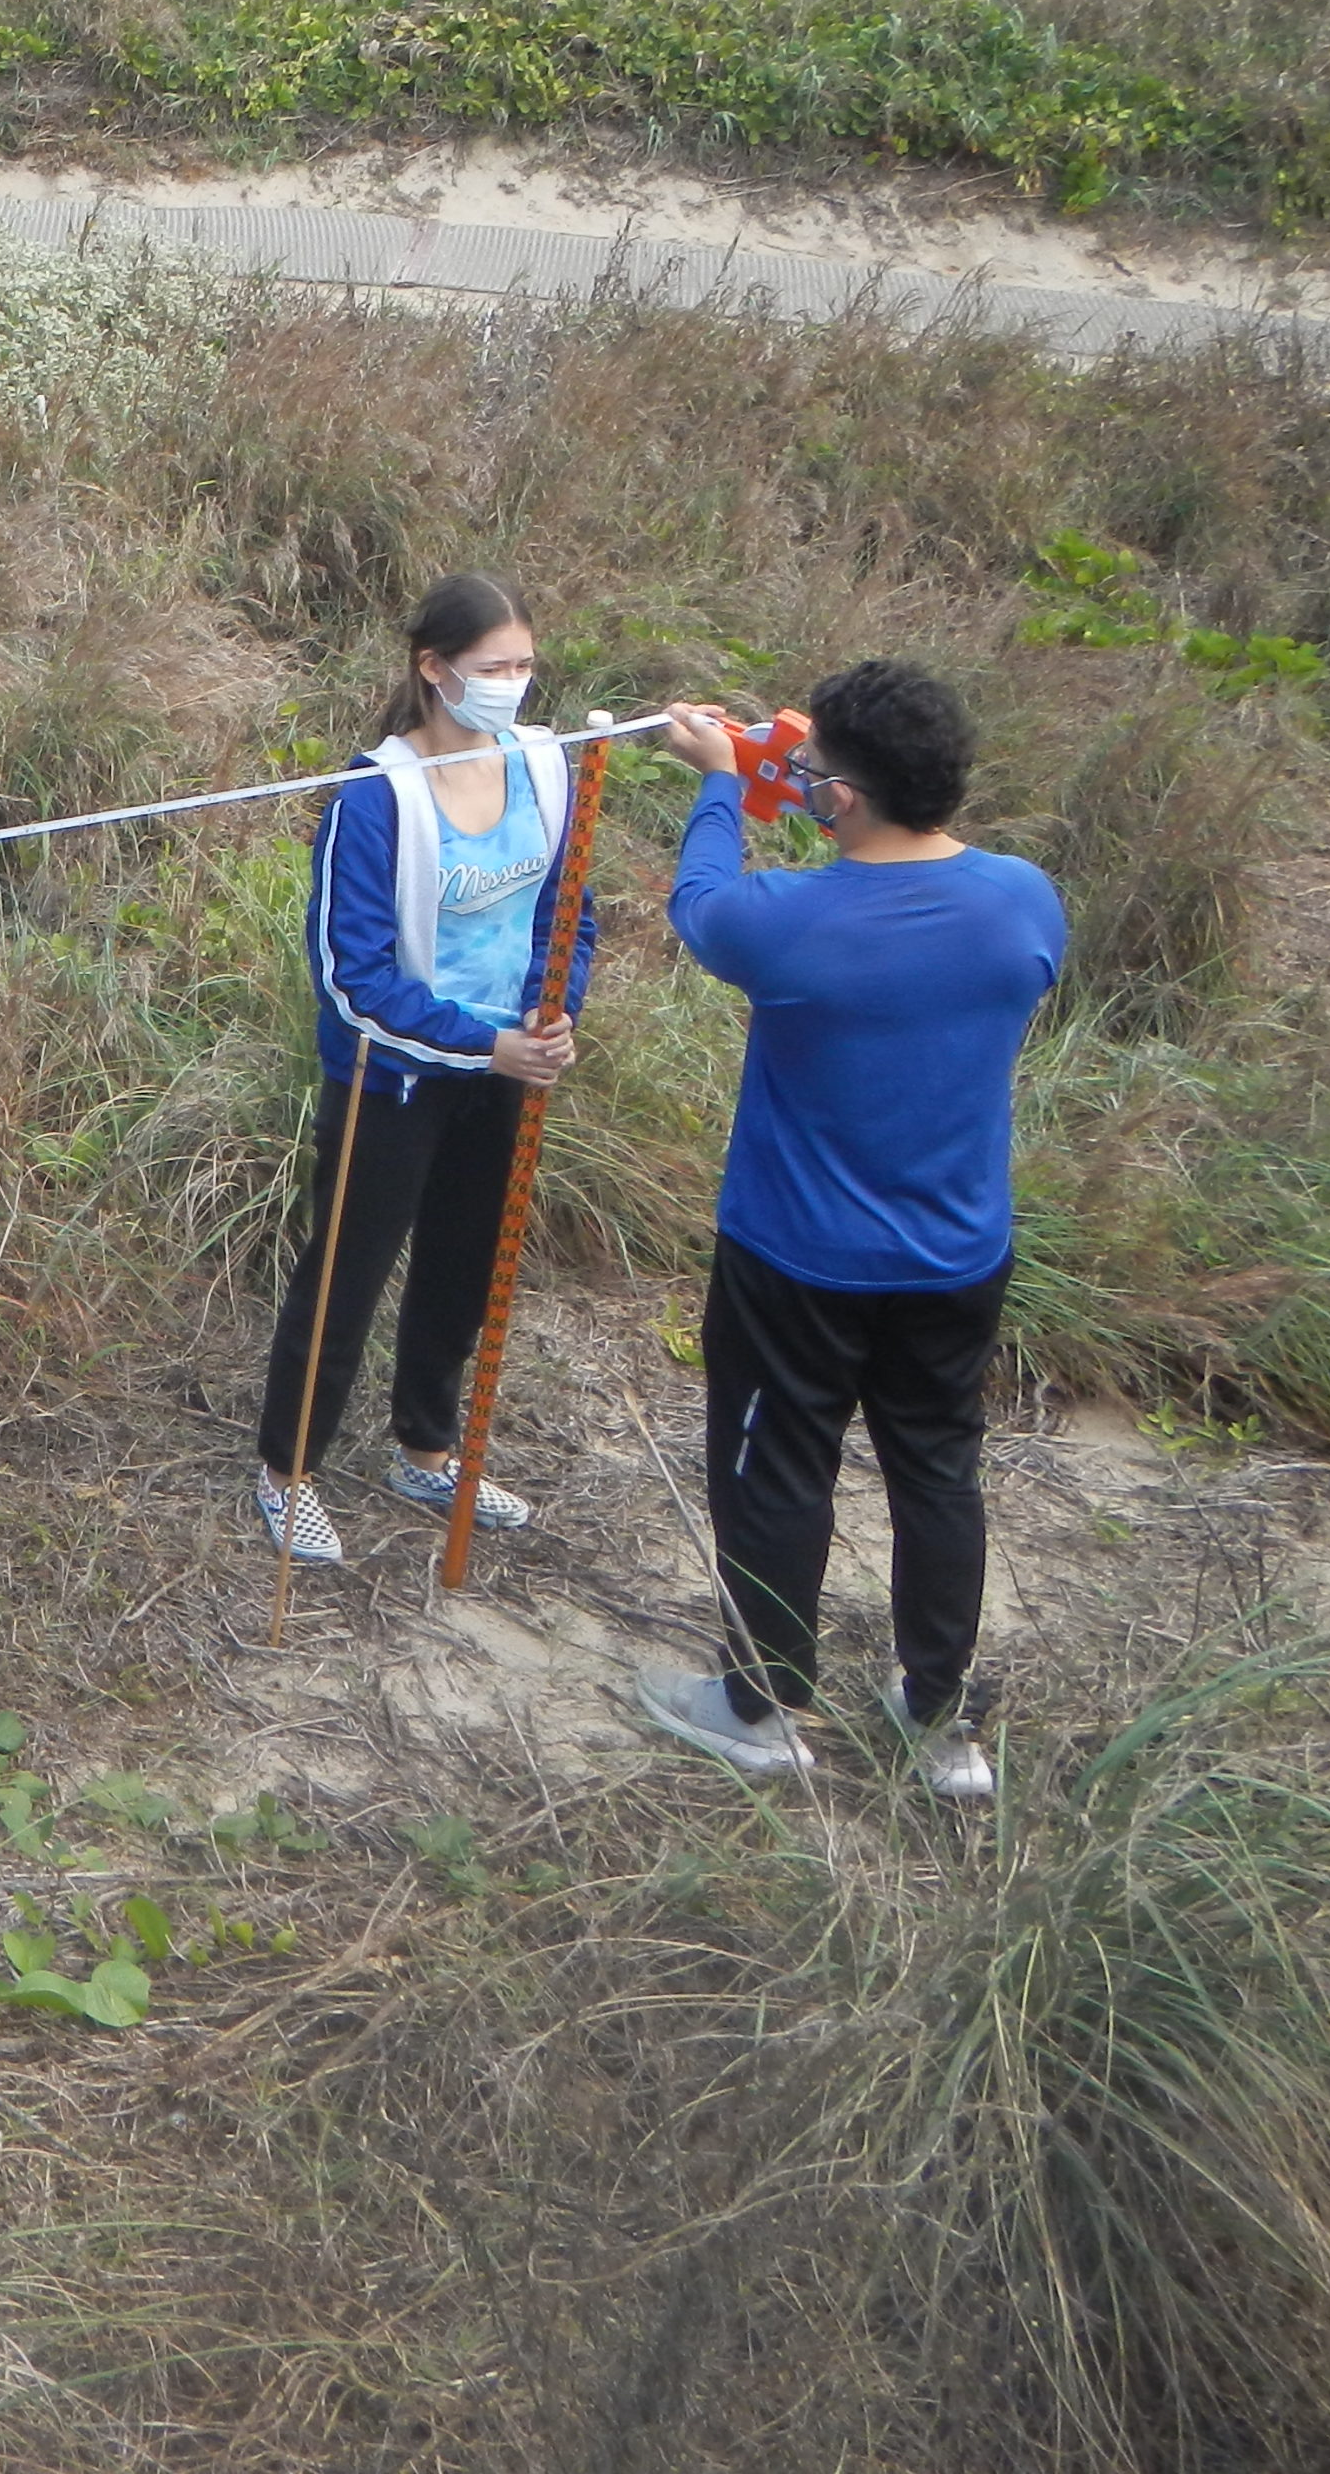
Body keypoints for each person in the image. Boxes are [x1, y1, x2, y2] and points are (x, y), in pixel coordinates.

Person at [635, 664, 1062, 1796]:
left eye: (819, 773)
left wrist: (722, 780)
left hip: (796, 1259)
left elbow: (700, 904)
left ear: (846, 799)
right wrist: (785, 765)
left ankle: (758, 1705)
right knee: (936, 1471)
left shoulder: (787, 925)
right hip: (958, 1256)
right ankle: (937, 1720)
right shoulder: (1026, 901)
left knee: (776, 1471)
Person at [251, 572, 597, 1564]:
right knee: (347, 1273)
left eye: (525, 665)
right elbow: (349, 977)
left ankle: (425, 1448)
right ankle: (287, 1470)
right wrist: (483, 1041)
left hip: (507, 1064)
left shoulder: (543, 766)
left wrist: (555, 1010)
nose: (513, 685)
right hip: (391, 1075)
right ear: (433, 670)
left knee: (464, 1262)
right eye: (493, 668)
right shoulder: (374, 796)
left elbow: (571, 910)